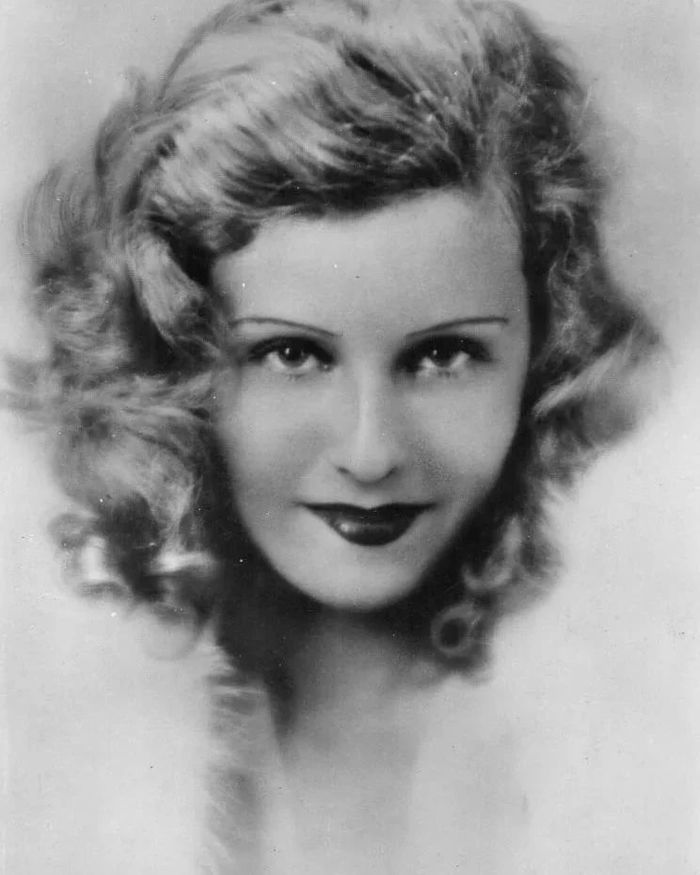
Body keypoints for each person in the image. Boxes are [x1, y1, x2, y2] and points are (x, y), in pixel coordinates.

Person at [8, 0, 659, 872]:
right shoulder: (60, 760)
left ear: (545, 352)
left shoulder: (640, 751)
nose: (370, 450)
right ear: (171, 361)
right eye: (292, 354)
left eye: (443, 355)